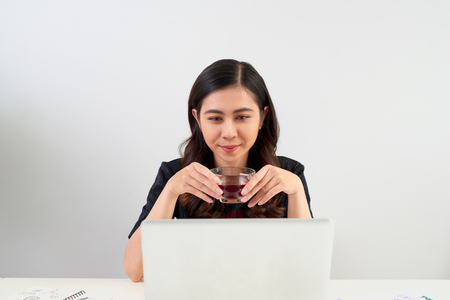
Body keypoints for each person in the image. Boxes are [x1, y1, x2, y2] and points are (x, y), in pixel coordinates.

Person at [124, 59, 313, 282]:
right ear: (197, 119)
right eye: (215, 118)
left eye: (242, 117)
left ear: (262, 117)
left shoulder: (287, 174)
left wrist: (297, 191)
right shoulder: (175, 174)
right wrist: (171, 190)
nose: (229, 132)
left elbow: (308, 270)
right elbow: (135, 270)